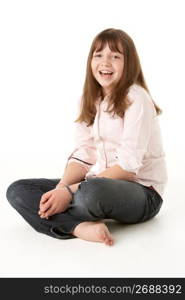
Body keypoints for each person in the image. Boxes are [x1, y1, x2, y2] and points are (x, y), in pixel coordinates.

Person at [6, 28, 168, 246]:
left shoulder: (137, 98)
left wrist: (68, 191)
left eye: (115, 56)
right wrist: (60, 188)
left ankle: (70, 215)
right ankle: (80, 227)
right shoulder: (88, 99)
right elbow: (85, 154)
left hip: (142, 192)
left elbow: (129, 168)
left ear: (128, 64)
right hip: (94, 182)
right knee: (18, 191)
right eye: (98, 55)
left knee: (88, 196)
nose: (105, 62)